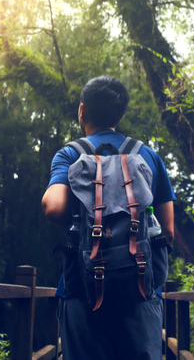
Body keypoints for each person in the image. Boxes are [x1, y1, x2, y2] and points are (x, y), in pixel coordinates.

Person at [42, 76, 175, 360]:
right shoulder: (148, 156)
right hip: (140, 294)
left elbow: (53, 208)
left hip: (82, 292)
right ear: (121, 114)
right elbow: (168, 232)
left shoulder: (70, 154)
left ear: (82, 110)